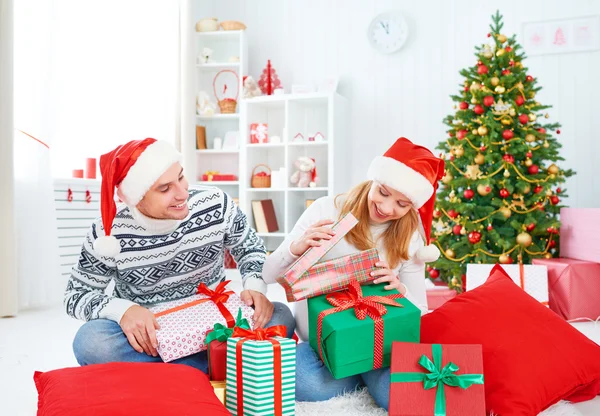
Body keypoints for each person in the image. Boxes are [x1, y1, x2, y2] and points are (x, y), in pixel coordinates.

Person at [65, 138, 295, 373]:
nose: (182, 192)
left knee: (280, 316)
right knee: (90, 342)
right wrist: (124, 310)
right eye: (165, 189)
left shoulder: (215, 203)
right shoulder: (107, 234)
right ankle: (219, 366)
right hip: (152, 335)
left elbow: (249, 247)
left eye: (181, 177)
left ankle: (172, 374)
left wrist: (255, 287)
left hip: (215, 321)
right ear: (136, 198)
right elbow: (75, 295)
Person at [262, 137, 445, 410]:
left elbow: (421, 312)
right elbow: (267, 274)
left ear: (412, 206)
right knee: (304, 382)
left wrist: (400, 290)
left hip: (376, 345)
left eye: (402, 203)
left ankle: (359, 369)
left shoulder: (410, 238)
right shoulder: (327, 209)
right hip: (319, 345)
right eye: (383, 192)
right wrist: (296, 248)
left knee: (400, 396)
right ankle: (352, 369)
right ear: (373, 179)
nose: (386, 207)